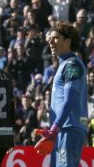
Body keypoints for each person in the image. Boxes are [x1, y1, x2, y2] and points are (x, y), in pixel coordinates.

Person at [34, 22, 88, 167]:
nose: (50, 41)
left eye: (56, 38)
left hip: (68, 129)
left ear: (68, 41)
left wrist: (55, 128)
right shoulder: (64, 65)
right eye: (49, 38)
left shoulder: (72, 65)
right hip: (61, 130)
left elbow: (70, 98)